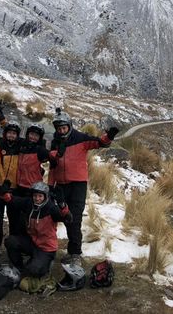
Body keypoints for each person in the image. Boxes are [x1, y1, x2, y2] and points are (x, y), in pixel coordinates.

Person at [48, 109, 119, 263]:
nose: (61, 131)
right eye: (59, 129)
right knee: (62, 216)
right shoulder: (55, 142)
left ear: (69, 126)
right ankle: (49, 249)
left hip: (77, 185)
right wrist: (50, 186)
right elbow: (53, 167)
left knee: (74, 218)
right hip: (60, 186)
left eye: (64, 128)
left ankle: (75, 254)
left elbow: (99, 142)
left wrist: (109, 137)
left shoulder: (80, 138)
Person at [2, 181, 71, 283]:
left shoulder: (51, 208)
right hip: (32, 243)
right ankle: (19, 267)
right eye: (35, 196)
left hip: (46, 248)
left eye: (40, 196)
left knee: (33, 271)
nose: (37, 198)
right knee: (10, 241)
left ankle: (46, 262)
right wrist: (4, 193)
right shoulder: (29, 203)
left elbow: (68, 219)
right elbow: (13, 200)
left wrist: (62, 206)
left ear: (45, 196)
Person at [0, 121, 23, 234]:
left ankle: (13, 241)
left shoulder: (21, 145)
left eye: (14, 133)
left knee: (14, 218)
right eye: (9, 133)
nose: (11, 135)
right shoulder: (0, 144)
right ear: (5, 134)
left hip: (15, 187)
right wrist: (2, 183)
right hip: (0, 187)